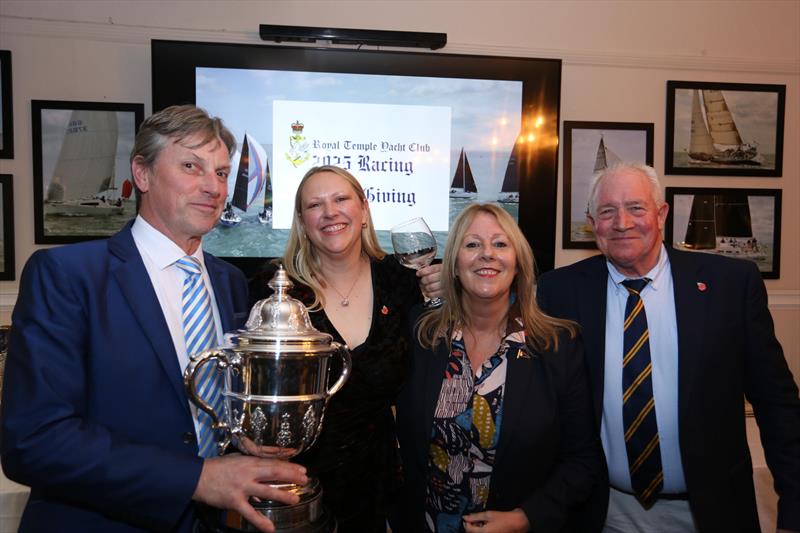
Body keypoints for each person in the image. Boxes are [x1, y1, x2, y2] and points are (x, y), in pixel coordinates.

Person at [0, 105, 307, 533]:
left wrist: (246, 437)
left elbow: (215, 403)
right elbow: (34, 442)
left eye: (220, 173)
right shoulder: (68, 275)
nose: (213, 187)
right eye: (190, 166)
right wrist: (197, 478)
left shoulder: (231, 282)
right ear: (142, 175)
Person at [537, 163, 800, 532]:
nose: (622, 222)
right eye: (607, 211)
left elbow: (778, 404)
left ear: (661, 214)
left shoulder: (730, 286)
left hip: (709, 513)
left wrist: (794, 510)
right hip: (601, 512)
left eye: (636, 208)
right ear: (591, 223)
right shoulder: (559, 292)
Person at [248, 165, 442, 532]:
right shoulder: (274, 290)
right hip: (294, 488)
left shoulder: (403, 282)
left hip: (380, 487)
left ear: (364, 210)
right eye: (315, 205)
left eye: (341, 199)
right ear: (303, 222)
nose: (330, 212)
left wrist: (446, 299)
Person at [393, 203, 606, 533]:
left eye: (500, 244)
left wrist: (526, 517)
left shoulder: (559, 345)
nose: (487, 254)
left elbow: (583, 461)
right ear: (452, 264)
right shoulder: (421, 335)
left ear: (518, 262)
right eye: (472, 244)